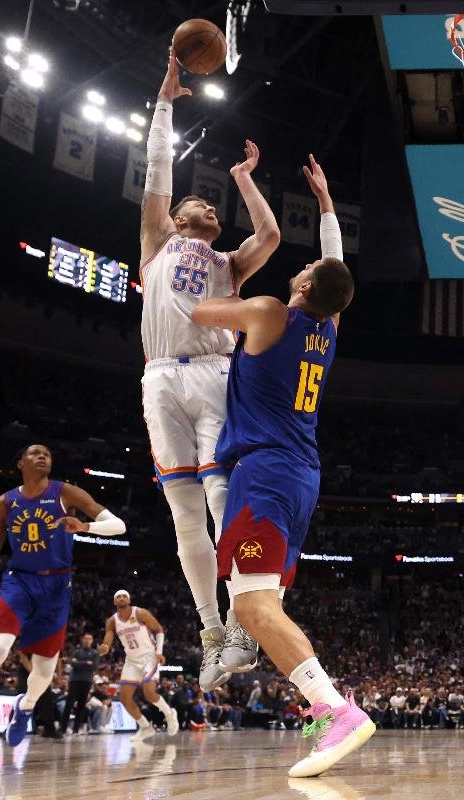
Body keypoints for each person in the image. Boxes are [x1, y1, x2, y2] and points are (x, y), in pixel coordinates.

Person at [190, 151, 363, 779]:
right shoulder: (328, 329)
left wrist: (205, 270)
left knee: (256, 610)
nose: (307, 264)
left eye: (309, 265)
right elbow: (336, 269)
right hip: (300, 476)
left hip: (262, 474)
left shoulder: (267, 313)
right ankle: (322, 712)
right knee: (259, 606)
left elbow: (199, 313)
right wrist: (324, 207)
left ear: (306, 287)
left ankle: (333, 708)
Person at [140, 48, 283, 689]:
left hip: (215, 372)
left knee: (223, 496)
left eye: (216, 207)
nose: (210, 209)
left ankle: (243, 614)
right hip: (159, 377)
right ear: (178, 218)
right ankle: (210, 630)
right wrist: (166, 101)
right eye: (202, 204)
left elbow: (272, 237)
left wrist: (244, 178)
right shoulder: (156, 241)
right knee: (181, 510)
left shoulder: (229, 263)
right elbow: (157, 170)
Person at [0, 444, 126, 760]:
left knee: (44, 672)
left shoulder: (66, 492)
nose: (43, 456)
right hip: (19, 580)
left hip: (57, 586)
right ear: (21, 463)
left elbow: (119, 526)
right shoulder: (5, 502)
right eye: (35, 453)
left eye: (47, 453)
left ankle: (26, 707)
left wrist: (85, 526)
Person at [99, 590, 180, 741]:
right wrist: (105, 647)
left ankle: (169, 714)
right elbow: (107, 639)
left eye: (124, 596)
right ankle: (145, 727)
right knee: (124, 697)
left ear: (129, 600)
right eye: (118, 596)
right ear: (114, 602)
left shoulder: (140, 613)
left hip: (149, 656)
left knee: (149, 692)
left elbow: (159, 630)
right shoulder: (112, 621)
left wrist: (159, 652)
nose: (121, 598)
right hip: (131, 660)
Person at [60, 632, 100, 734]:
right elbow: (72, 663)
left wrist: (79, 662)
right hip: (74, 680)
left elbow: (94, 666)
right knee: (69, 704)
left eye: (89, 639)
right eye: (85, 638)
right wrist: (86, 663)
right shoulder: (77, 651)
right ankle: (63, 729)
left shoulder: (95, 653)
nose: (87, 641)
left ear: (92, 641)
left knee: (81, 705)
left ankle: (76, 729)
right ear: (82, 640)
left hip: (87, 681)